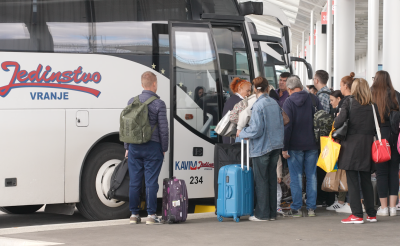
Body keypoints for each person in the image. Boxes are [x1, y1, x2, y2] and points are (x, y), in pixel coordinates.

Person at [125, 71, 169, 225]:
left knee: (134, 181)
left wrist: (127, 147)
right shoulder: (159, 104)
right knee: (151, 181)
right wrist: (164, 147)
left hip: (134, 147)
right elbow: (164, 129)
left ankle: (134, 214)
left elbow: (127, 127)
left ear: (142, 84)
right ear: (154, 84)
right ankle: (151, 215)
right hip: (153, 146)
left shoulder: (132, 101)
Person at [239, 77, 284, 221]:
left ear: (254, 89)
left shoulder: (259, 106)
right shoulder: (274, 103)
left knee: (261, 181)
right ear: (268, 88)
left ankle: (262, 214)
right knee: (271, 179)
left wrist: (242, 133)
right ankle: (271, 213)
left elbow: (256, 130)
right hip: (276, 146)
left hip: (261, 147)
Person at [334, 78, 377, 224]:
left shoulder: (349, 102)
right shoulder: (372, 105)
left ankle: (357, 214)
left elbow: (339, 123)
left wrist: (338, 117)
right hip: (367, 145)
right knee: (366, 180)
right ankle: (371, 214)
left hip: (351, 145)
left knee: (352, 181)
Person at [282, 75, 322, 218]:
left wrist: (284, 147)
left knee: (296, 177)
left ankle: (297, 208)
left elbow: (287, 127)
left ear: (291, 89)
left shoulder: (288, 102)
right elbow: (321, 120)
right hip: (313, 145)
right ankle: (311, 208)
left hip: (294, 145)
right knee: (312, 176)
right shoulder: (313, 99)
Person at [371, 71, 400, 217]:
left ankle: (383, 208)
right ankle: (393, 207)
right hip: (395, 137)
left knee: (381, 173)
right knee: (394, 172)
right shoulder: (396, 95)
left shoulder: (372, 96)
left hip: (379, 138)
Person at [333, 73, 356, 214]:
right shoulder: (361, 101)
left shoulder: (345, 102)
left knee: (348, 172)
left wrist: (337, 118)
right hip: (359, 141)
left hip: (346, 140)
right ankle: (349, 201)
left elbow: (339, 122)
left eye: (341, 85)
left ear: (346, 86)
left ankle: (348, 202)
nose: (340, 88)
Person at [222, 78, 251, 143]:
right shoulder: (240, 102)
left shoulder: (231, 99)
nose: (249, 93)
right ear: (240, 89)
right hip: (235, 138)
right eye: (247, 91)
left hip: (228, 136)